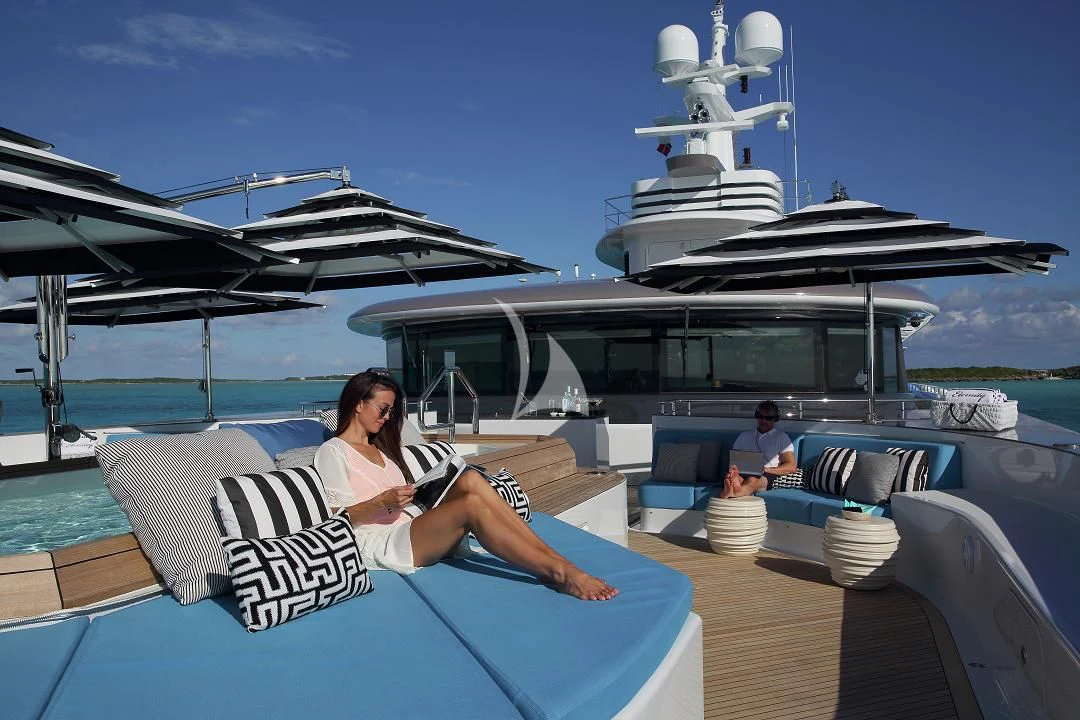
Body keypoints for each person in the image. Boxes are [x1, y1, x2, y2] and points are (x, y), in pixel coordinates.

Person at [314, 371, 618, 601]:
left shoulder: (381, 450)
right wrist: (384, 501)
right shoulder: (333, 451)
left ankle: (557, 559)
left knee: (470, 477)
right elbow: (339, 519)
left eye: (392, 411)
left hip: (414, 525)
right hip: (381, 540)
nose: (388, 417)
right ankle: (559, 572)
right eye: (383, 409)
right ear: (357, 405)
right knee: (470, 506)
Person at [718, 400, 797, 499]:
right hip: (743, 471)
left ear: (775, 419)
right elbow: (734, 460)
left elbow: (791, 466)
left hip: (767, 474)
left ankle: (731, 493)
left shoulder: (782, 437)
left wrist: (766, 469)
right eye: (761, 416)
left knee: (752, 479)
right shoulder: (744, 436)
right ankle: (734, 486)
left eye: (768, 418)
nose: (764, 421)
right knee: (734, 477)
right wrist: (734, 470)